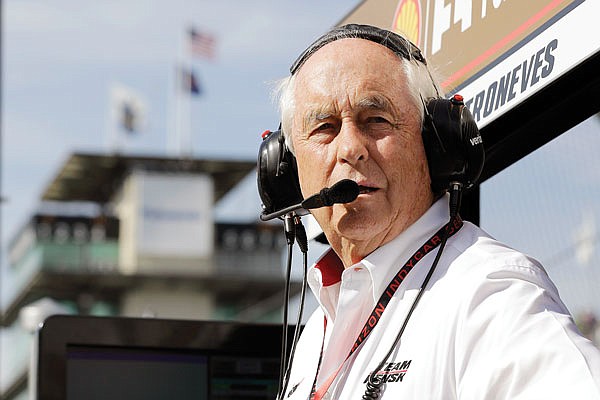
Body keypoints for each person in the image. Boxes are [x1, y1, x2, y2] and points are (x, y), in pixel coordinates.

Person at [270, 24, 600, 399]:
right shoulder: (315, 333)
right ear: (290, 170)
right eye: (324, 128)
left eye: (376, 120)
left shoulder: (488, 292)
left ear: (434, 143)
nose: (351, 148)